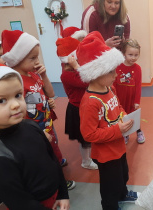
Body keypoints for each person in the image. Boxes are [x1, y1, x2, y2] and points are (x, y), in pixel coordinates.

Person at [0, 30, 75, 190]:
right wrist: (37, 132)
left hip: (46, 122)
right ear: (17, 59)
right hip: (33, 128)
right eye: (32, 58)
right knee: (42, 156)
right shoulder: (17, 82)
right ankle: (56, 182)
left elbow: (51, 93)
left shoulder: (33, 75)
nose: (37, 61)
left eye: (37, 57)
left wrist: (45, 76)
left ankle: (57, 163)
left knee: (53, 147)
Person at [0, 62, 70, 210]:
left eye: (18, 95)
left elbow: (52, 159)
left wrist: (62, 193)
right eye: (1, 100)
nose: (15, 105)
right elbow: (19, 202)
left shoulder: (30, 125)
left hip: (54, 195)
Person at [76, 31, 140, 210]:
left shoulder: (109, 88)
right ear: (96, 73)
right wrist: (118, 130)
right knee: (109, 186)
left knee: (123, 175)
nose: (116, 75)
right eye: (111, 71)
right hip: (105, 154)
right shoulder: (90, 102)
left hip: (119, 146)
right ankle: (111, 205)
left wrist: (125, 117)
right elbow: (89, 134)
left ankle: (123, 193)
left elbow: (117, 107)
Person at [56, 36, 98, 170]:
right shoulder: (66, 75)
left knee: (91, 135)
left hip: (87, 107)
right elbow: (86, 81)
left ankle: (91, 156)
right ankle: (86, 161)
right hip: (78, 110)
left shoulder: (77, 69)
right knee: (85, 139)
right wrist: (76, 66)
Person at [113, 39, 145, 144]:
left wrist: (137, 101)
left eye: (136, 55)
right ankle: (125, 134)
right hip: (120, 98)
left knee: (133, 117)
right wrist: (115, 99)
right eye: (130, 54)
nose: (133, 57)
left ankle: (139, 131)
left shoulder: (138, 68)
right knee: (123, 117)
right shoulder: (117, 67)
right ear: (124, 54)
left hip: (131, 99)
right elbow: (114, 84)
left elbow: (138, 86)